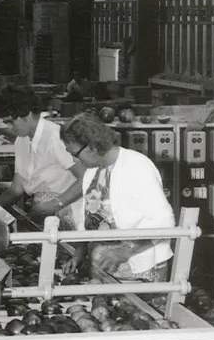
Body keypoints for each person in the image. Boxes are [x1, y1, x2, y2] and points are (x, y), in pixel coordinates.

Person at [60, 111, 176, 283]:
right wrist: (79, 254)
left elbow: (164, 221)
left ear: (92, 148)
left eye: (75, 154)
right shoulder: (92, 172)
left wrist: (126, 250)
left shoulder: (136, 166)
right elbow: (91, 219)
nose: (74, 159)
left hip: (140, 269)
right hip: (105, 270)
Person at [0, 85, 85, 226]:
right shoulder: (22, 141)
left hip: (71, 214)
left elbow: (87, 178)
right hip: (44, 214)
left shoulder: (55, 137)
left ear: (27, 114)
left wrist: (55, 204)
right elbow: (17, 189)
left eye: (11, 121)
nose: (9, 127)